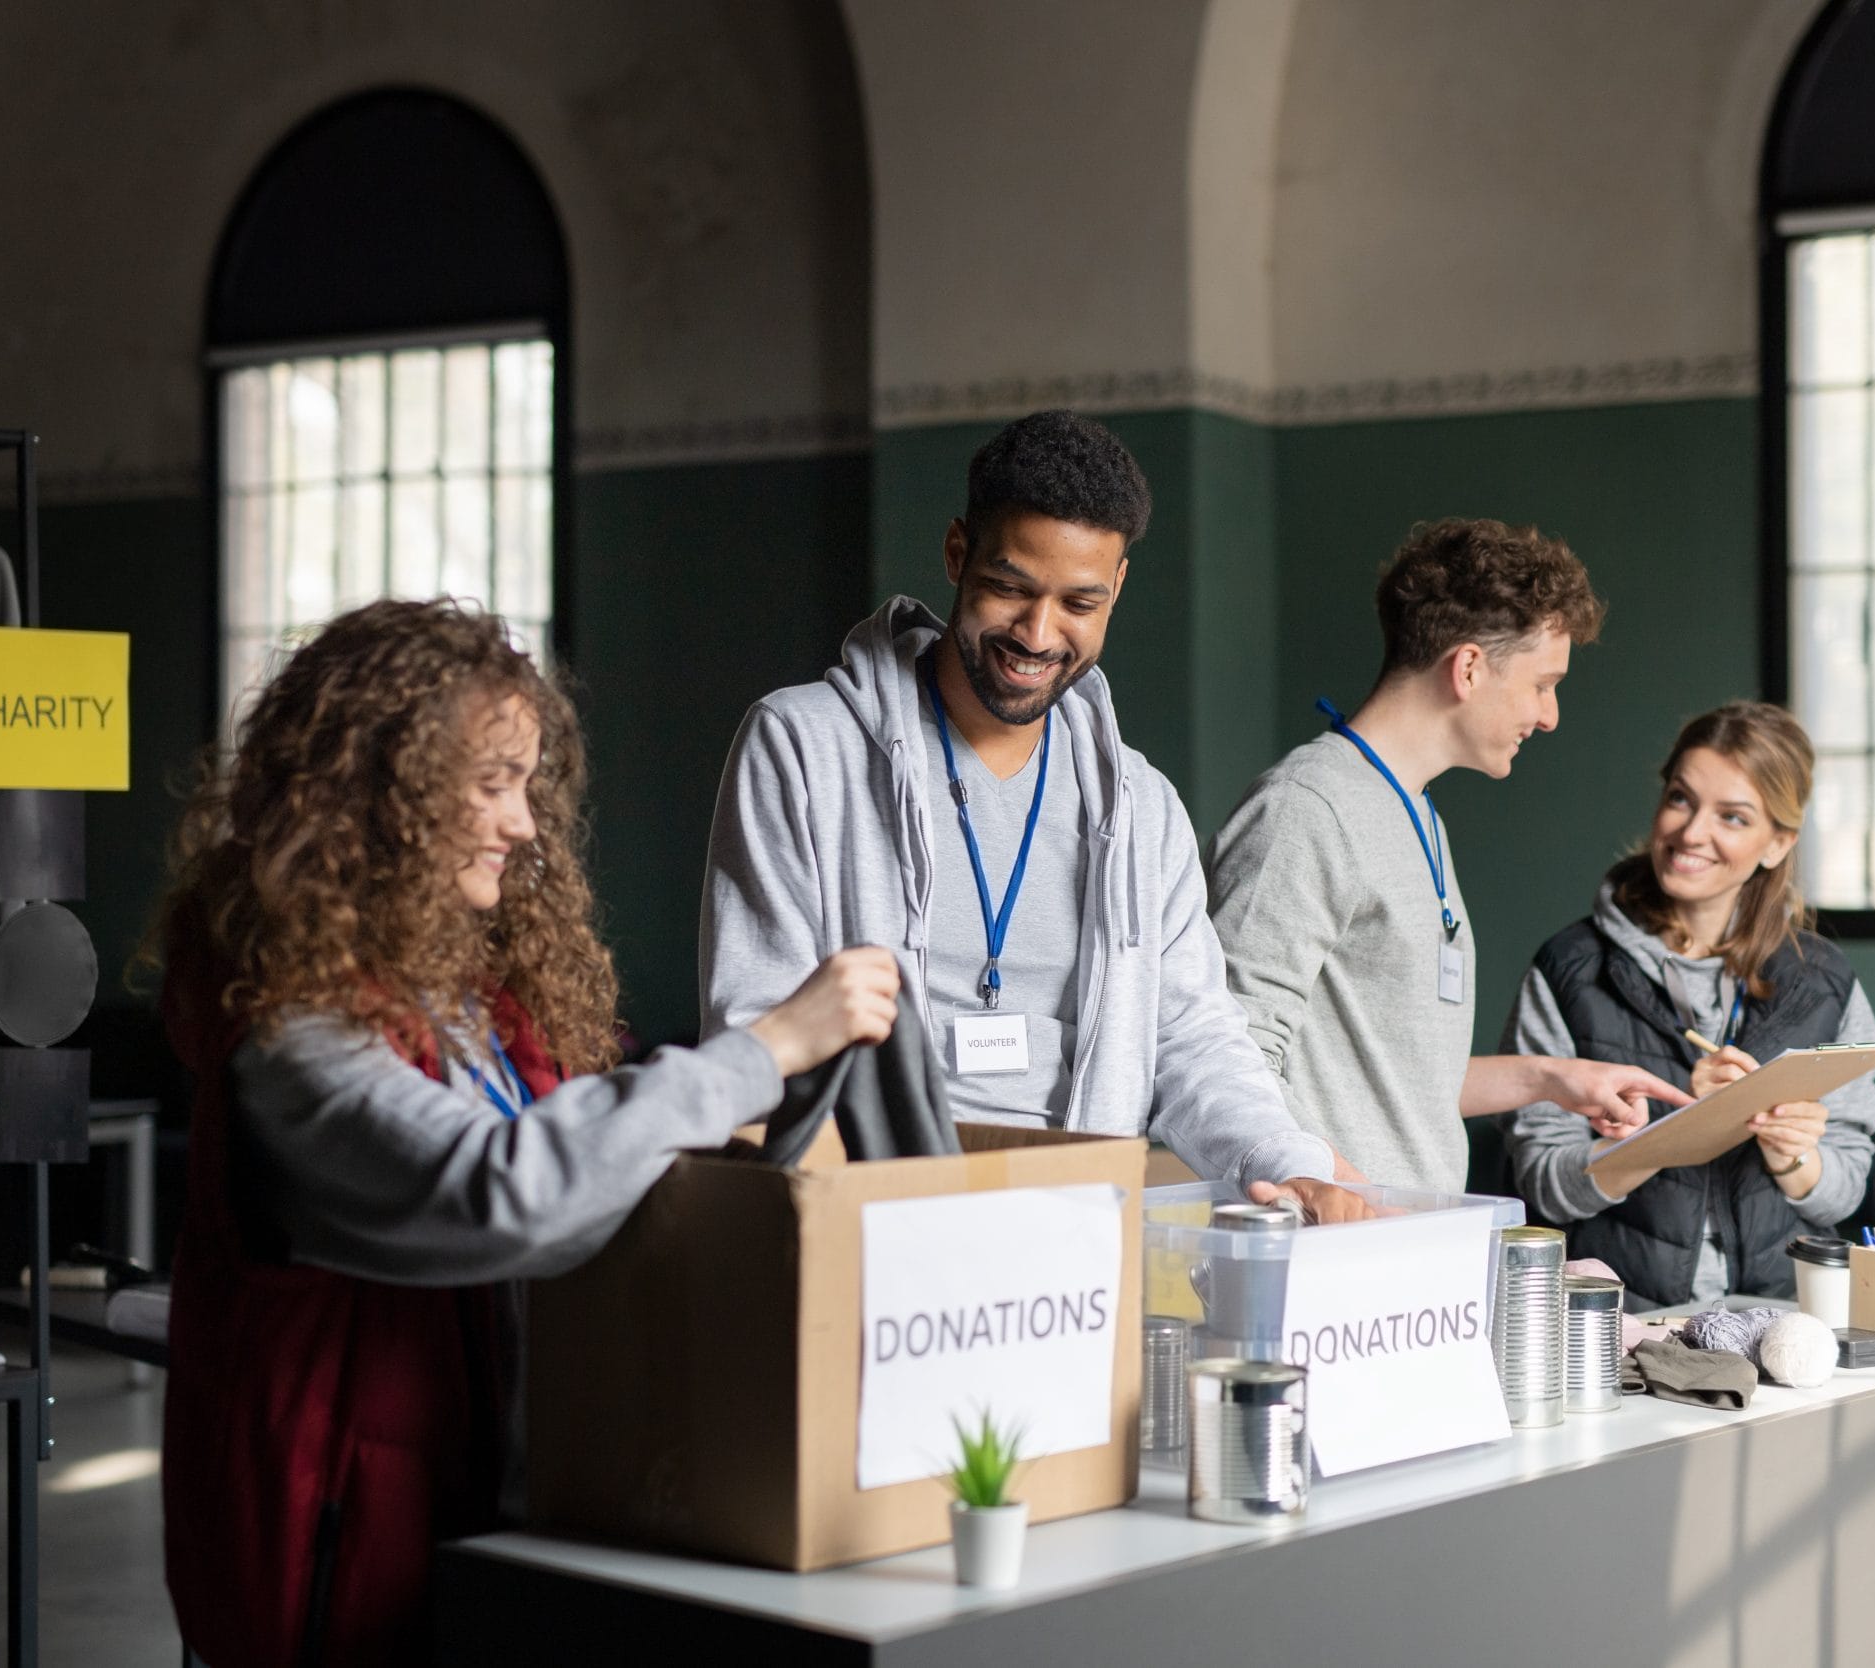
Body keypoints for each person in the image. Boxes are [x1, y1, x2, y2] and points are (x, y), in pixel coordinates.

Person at [155, 598, 899, 1667]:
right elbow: (503, 1192)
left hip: (485, 1537)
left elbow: (588, 1179)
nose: (523, 823)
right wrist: (765, 1049)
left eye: (526, 785)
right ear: (379, 795)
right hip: (335, 1572)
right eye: (490, 784)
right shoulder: (288, 1036)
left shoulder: (487, 999)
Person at [700, 409, 1368, 1221]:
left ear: (1118, 587)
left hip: (1073, 1241)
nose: (1038, 634)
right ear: (957, 554)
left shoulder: (1142, 809)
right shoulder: (803, 747)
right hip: (867, 1222)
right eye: (1010, 588)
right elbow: (755, 1025)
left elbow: (1193, 1038)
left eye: (1080, 603)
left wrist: (1284, 1160)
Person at [1209, 519, 1690, 1196]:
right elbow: (1229, 1055)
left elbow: (1400, 1080)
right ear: (1467, 668)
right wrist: (1347, 1200)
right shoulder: (1305, 809)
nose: (1549, 716)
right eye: (1542, 684)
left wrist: (1555, 1079)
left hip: (1409, 1259)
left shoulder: (1418, 815)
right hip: (1332, 1253)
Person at [1502, 701, 1875, 1306]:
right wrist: (1679, 1131)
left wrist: (1792, 1155)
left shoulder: (1825, 982)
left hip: (1781, 1315)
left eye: (1733, 817)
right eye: (1681, 799)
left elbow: (1842, 1194)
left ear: (1777, 843)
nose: (1691, 833)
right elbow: (1544, 1185)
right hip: (1618, 1317)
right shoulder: (1570, 968)